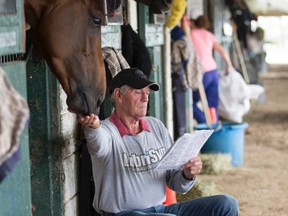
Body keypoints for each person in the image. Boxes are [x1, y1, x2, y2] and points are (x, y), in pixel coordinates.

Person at [77, 68, 239, 216]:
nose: (145, 98)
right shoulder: (107, 131)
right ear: (119, 95)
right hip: (123, 214)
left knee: (227, 204)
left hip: (161, 209)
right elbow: (97, 143)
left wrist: (187, 174)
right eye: (138, 93)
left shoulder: (156, 126)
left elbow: (176, 184)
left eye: (147, 94)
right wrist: (94, 127)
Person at [189, 11, 234, 124]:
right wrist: (229, 66)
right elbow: (222, 51)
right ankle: (214, 125)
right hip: (213, 71)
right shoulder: (209, 35)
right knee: (212, 103)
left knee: (192, 102)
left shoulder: (191, 34)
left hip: (201, 72)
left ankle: (205, 124)